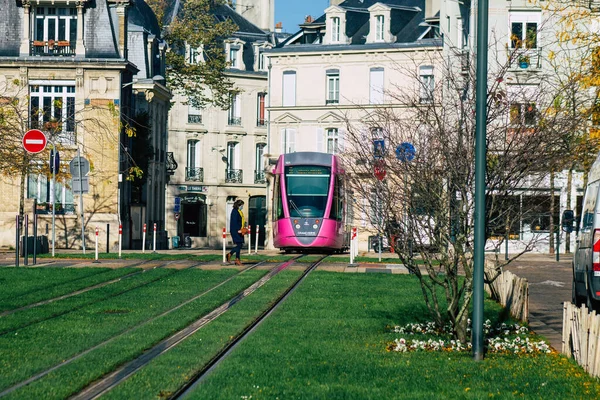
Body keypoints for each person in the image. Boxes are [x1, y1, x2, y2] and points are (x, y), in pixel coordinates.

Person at [227, 199, 246, 265]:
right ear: (239, 205)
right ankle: (234, 257)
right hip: (236, 231)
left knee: (240, 245)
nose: (242, 207)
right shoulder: (235, 211)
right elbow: (234, 222)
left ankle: (235, 257)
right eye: (242, 205)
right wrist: (238, 230)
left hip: (240, 231)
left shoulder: (239, 211)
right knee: (239, 245)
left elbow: (241, 221)